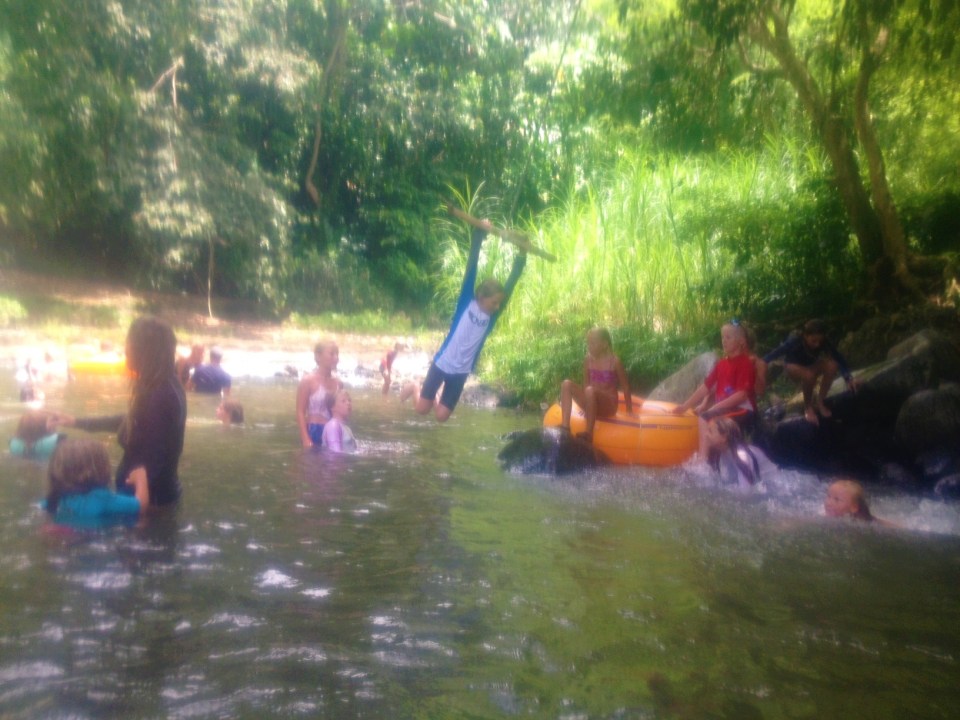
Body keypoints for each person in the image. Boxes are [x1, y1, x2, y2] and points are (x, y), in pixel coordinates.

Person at [52, 316, 187, 506]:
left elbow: (154, 460)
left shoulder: (159, 395)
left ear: (144, 351)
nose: (125, 350)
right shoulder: (163, 386)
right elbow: (132, 421)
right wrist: (76, 421)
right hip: (151, 496)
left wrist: (134, 511)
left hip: (147, 503)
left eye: (129, 344)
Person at [415, 222, 526, 422]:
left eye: (499, 303)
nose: (497, 306)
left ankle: (435, 398)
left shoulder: (491, 318)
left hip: (461, 372)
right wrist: (479, 234)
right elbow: (471, 267)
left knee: (441, 417)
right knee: (421, 409)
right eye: (494, 302)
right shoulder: (466, 303)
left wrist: (522, 255)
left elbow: (511, 283)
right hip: (442, 362)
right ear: (481, 297)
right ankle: (414, 387)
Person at [674, 321, 757, 455]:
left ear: (741, 341)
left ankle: (702, 460)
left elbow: (742, 395)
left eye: (728, 337)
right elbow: (705, 388)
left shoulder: (745, 363)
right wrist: (685, 406)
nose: (724, 341)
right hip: (728, 409)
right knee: (707, 417)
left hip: (744, 410)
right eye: (722, 337)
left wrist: (716, 408)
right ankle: (713, 458)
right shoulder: (722, 364)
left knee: (705, 418)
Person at [763, 319, 857, 425]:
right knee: (809, 375)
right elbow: (777, 352)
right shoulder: (795, 341)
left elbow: (838, 358)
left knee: (832, 365)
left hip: (810, 367)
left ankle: (820, 401)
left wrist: (848, 378)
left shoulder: (823, 342)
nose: (817, 345)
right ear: (805, 336)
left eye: (819, 342)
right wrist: (761, 362)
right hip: (793, 369)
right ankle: (808, 407)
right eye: (813, 341)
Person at [42, 438, 149, 530]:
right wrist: (141, 479)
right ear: (100, 469)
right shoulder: (101, 498)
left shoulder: (53, 500)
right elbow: (141, 506)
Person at [559, 327, 633, 443]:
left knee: (590, 390)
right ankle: (565, 427)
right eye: (588, 343)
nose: (589, 346)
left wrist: (629, 411)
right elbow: (586, 383)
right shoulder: (588, 360)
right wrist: (587, 406)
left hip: (608, 405)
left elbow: (626, 387)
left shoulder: (614, 362)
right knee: (566, 384)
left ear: (604, 344)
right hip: (591, 398)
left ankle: (589, 433)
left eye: (593, 343)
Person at [703, 416, 773, 490]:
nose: (705, 434)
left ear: (724, 437)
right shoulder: (722, 454)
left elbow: (746, 492)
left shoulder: (741, 455)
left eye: (710, 431)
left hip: (775, 488)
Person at [296, 340, 342, 448]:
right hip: (313, 430)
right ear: (318, 356)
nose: (336, 358)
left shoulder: (339, 384)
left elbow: (340, 414)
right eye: (331, 353)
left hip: (332, 432)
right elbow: (300, 412)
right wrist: (305, 438)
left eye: (337, 354)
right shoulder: (308, 381)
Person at [823, 479, 897, 527]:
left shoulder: (860, 523)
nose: (829, 503)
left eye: (837, 500)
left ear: (854, 507)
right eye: (829, 496)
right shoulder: (824, 514)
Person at [321, 389, 357, 453]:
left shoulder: (346, 427)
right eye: (343, 401)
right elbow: (335, 454)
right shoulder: (333, 425)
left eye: (349, 400)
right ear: (332, 407)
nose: (348, 403)